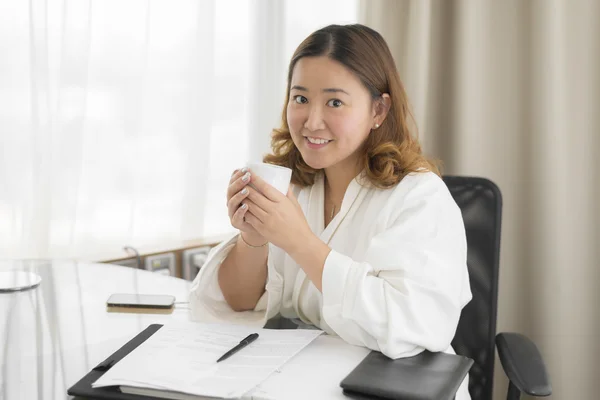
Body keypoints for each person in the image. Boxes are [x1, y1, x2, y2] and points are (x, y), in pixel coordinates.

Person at [190, 24, 471, 399]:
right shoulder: (294, 185)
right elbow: (236, 304)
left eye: (334, 102)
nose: (312, 121)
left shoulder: (419, 198)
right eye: (300, 98)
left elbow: (412, 328)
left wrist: (301, 242)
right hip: (305, 383)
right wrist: (253, 238)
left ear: (378, 109)